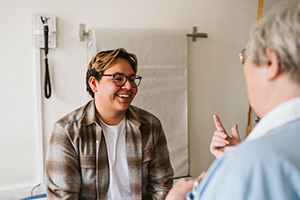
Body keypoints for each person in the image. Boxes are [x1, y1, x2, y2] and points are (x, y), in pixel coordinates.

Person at [166, 1, 300, 199]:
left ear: (271, 61)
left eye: (245, 56)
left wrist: (175, 197)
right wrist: (237, 156)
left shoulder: (253, 164)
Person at [45, 48, 174, 200]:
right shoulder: (67, 131)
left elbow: (162, 186)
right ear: (94, 83)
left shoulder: (151, 125)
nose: (128, 87)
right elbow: (62, 197)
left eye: (132, 79)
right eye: (118, 78)